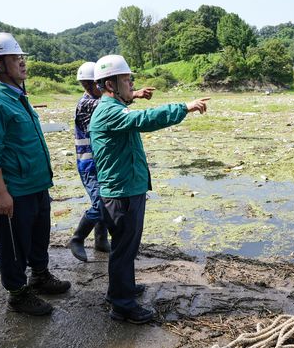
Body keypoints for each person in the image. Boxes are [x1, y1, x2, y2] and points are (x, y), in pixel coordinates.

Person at [89, 54, 209, 324]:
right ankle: (122, 306)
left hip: (124, 189)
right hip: (121, 194)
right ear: (110, 84)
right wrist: (184, 108)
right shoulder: (110, 111)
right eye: (126, 79)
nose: (131, 83)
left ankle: (121, 290)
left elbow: (134, 110)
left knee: (125, 248)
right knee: (123, 250)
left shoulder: (114, 106)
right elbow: (145, 119)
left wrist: (135, 95)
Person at [0, 32, 70, 316]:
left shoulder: (17, 96)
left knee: (38, 237)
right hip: (12, 190)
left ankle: (39, 275)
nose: (22, 63)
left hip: (35, 185)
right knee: (14, 246)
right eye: (16, 58)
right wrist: (0, 193)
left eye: (22, 58)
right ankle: (17, 293)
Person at [69, 61, 154, 262]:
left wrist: (131, 94)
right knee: (101, 202)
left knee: (107, 202)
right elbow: (116, 107)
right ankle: (77, 238)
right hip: (89, 164)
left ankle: (101, 240)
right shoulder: (88, 104)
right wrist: (134, 94)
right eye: (88, 84)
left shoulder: (103, 101)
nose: (91, 88)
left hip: (103, 162)